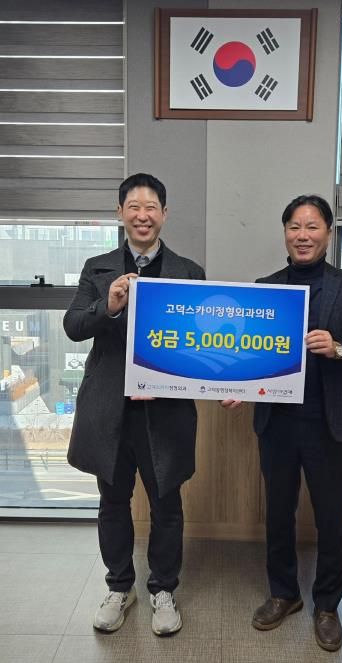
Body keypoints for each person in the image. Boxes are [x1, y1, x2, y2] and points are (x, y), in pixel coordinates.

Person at [222, 194, 342, 652]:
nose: (303, 235)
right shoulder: (267, 289)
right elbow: (251, 355)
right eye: (294, 226)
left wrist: (338, 348)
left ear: (328, 233)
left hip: (329, 421)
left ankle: (327, 606)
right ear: (285, 233)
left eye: (312, 226)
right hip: (277, 422)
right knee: (278, 512)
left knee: (331, 517)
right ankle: (284, 594)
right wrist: (238, 387)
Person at [64, 173, 205, 635]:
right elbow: (73, 326)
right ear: (120, 213)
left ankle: (163, 589)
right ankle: (119, 587)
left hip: (165, 410)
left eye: (151, 207)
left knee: (167, 505)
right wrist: (108, 305)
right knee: (112, 501)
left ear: (164, 214)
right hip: (111, 409)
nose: (143, 215)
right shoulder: (97, 268)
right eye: (134, 207)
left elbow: (200, 346)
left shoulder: (189, 272)